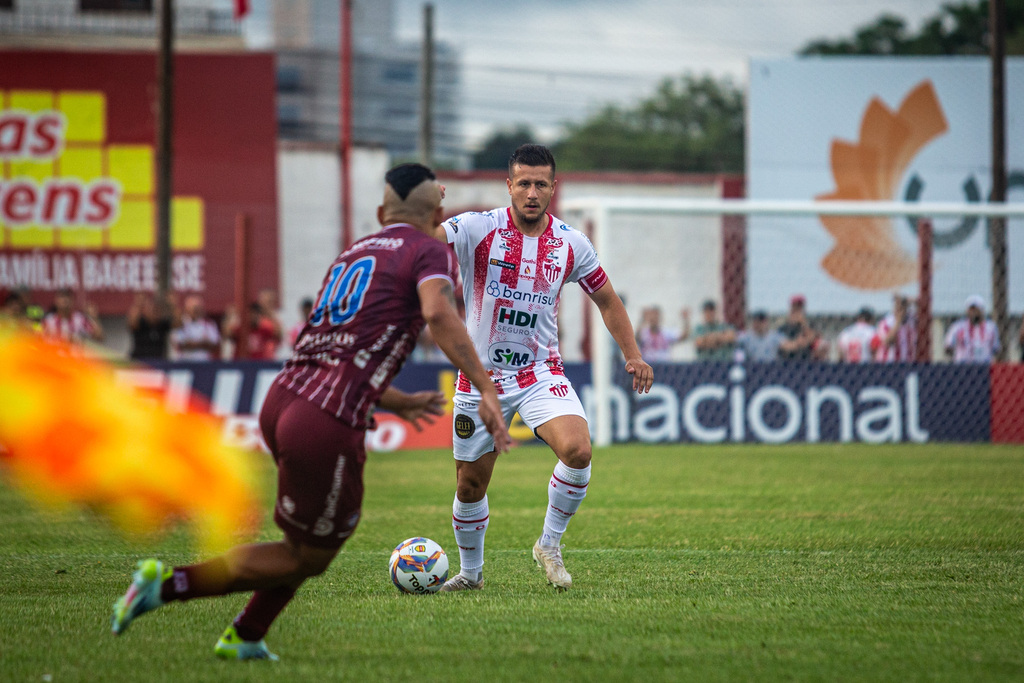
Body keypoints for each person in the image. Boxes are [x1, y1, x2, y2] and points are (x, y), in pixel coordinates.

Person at [110, 163, 511, 660]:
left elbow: (331, 348)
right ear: (438, 214)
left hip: (282, 400)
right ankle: (165, 586)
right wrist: (487, 387)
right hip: (323, 420)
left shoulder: (353, 254)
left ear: (382, 212)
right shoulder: (430, 250)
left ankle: (247, 635)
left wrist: (399, 401)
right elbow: (436, 311)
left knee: (300, 544)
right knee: (309, 555)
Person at [435, 143, 653, 593]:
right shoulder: (477, 228)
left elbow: (607, 299)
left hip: (540, 372)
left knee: (579, 452)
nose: (532, 192)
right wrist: (421, 213)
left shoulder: (571, 244)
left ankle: (549, 545)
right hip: (481, 377)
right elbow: (428, 240)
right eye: (524, 183)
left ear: (553, 188)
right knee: (470, 485)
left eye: (541, 184)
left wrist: (632, 353)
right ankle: (471, 574)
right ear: (509, 186)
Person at [223, 289, 283, 360]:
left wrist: (270, 312)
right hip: (241, 364)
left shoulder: (264, 327)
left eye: (254, 314)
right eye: (249, 314)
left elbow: (278, 335)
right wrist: (231, 316)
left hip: (260, 363)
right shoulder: (240, 329)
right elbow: (227, 334)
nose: (252, 317)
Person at [944, 295, 1000, 363]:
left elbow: (996, 348)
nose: (973, 312)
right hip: (963, 365)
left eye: (976, 309)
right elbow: (948, 346)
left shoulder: (991, 327)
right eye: (971, 309)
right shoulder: (958, 327)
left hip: (984, 364)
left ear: (982, 311)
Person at [171, 295, 221, 361]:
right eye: (194, 308)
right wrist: (202, 343)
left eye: (198, 308)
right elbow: (179, 343)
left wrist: (192, 343)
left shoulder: (209, 323)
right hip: (184, 362)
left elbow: (215, 344)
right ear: (187, 308)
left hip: (204, 362)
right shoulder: (180, 323)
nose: (196, 311)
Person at [127, 292, 176, 361]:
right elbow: (132, 323)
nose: (154, 313)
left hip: (159, 362)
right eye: (152, 310)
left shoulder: (162, 324)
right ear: (145, 310)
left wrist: (172, 305)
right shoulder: (141, 322)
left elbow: (177, 323)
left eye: (157, 310)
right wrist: (138, 304)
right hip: (139, 362)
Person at [873, 294, 917, 362]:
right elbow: (887, 342)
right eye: (898, 307)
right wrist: (898, 321)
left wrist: (912, 301)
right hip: (888, 363)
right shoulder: (886, 323)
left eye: (903, 307)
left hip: (907, 362)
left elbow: (923, 310)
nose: (900, 310)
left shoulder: (911, 321)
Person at [777, 295, 820, 361]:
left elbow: (812, 339)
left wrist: (803, 323)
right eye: (795, 307)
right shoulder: (783, 327)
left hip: (805, 362)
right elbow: (783, 345)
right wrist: (797, 343)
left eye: (800, 308)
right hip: (786, 362)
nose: (797, 310)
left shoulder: (809, 325)